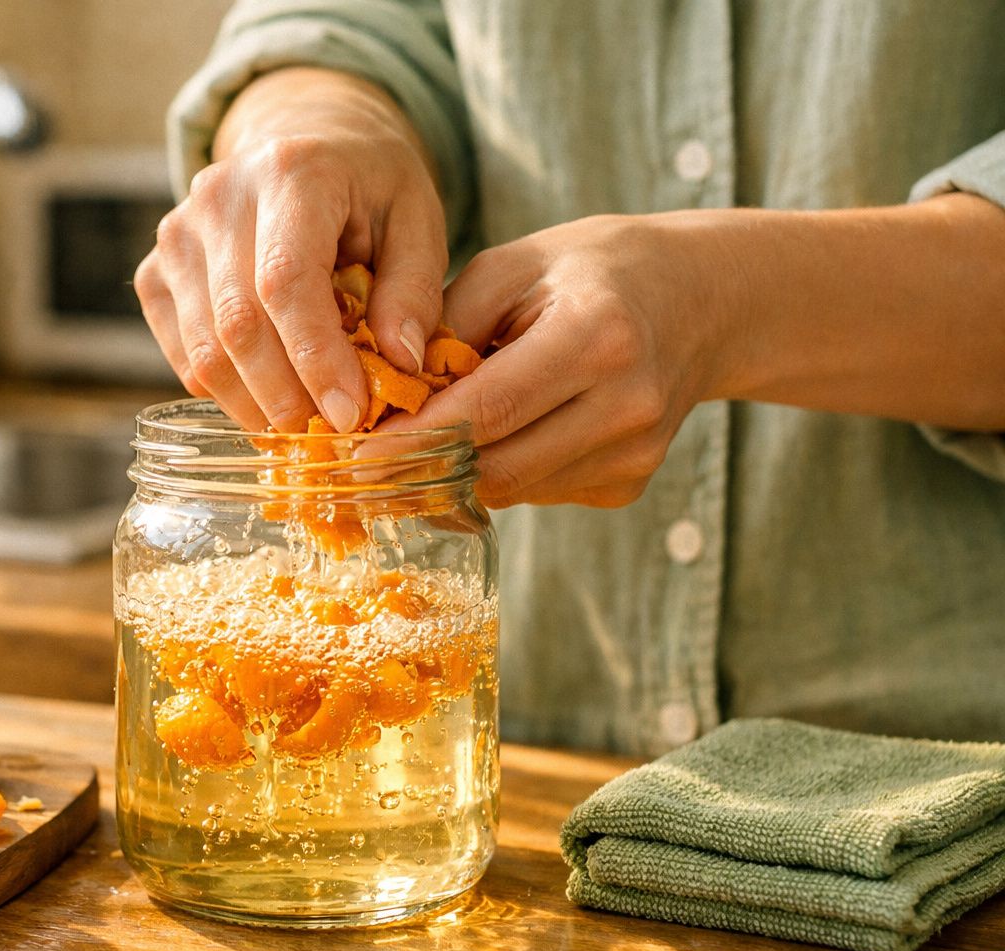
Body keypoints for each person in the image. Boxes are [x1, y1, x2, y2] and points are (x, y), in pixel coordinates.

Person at [134, 1, 1005, 755]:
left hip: (955, 771)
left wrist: (722, 299)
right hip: (543, 790)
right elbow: (354, 25)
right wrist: (320, 119)